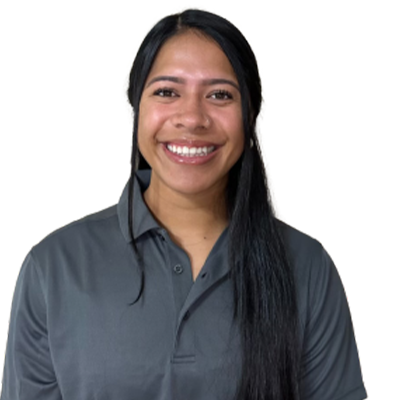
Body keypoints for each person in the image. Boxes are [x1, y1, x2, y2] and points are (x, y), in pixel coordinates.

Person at [1, 6, 367, 400]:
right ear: (134, 108)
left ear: (250, 117)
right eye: (167, 92)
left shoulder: (307, 269)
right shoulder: (54, 267)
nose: (192, 118)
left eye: (220, 95)